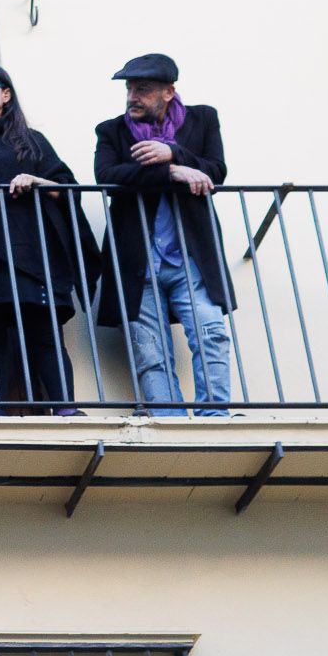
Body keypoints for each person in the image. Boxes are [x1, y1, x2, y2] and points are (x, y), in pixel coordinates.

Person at [0, 63, 100, 414]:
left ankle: (66, 412)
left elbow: (68, 191)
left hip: (35, 255)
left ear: (6, 94)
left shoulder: (33, 142)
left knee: (46, 337)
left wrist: (35, 181)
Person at [94, 52, 233, 413]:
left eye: (142, 89)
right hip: (138, 261)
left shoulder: (202, 119)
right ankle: (168, 420)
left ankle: (215, 417)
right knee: (149, 350)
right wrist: (171, 173)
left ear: (168, 92)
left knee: (212, 336)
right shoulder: (112, 130)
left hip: (191, 259)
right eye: (129, 89)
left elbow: (215, 171)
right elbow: (107, 177)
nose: (131, 97)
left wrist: (173, 153)